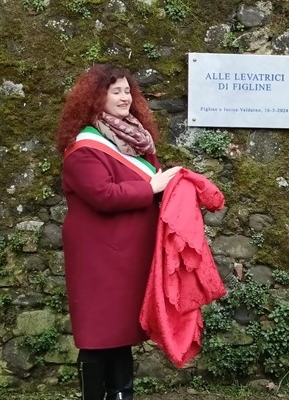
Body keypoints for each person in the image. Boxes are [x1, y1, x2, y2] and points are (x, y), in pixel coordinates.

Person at [56, 64, 180, 400]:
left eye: (128, 91)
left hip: (125, 255)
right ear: (97, 97)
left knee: (120, 332)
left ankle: (122, 394)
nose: (125, 97)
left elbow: (145, 184)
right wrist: (153, 186)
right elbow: (103, 195)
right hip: (98, 258)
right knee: (97, 334)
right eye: (116, 91)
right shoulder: (83, 148)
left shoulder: (132, 138)